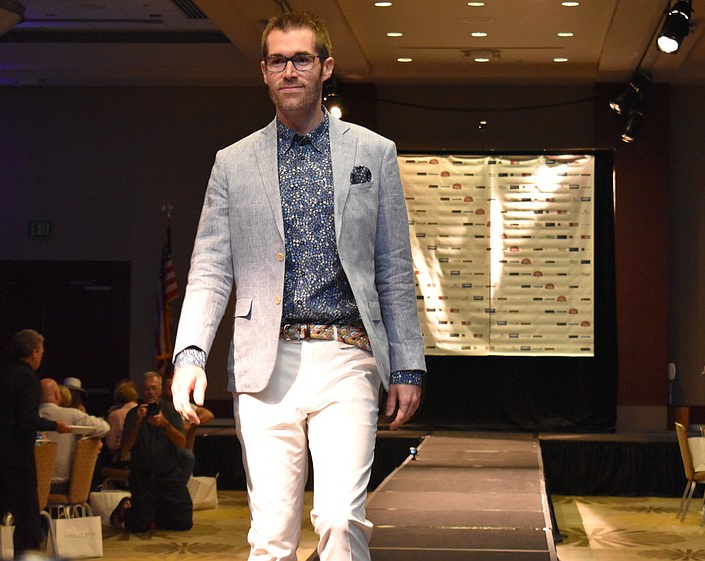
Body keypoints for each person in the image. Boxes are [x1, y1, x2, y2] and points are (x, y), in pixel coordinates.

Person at [170, 11, 426, 561]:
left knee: (339, 518)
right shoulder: (232, 163)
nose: (290, 70)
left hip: (348, 355)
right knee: (271, 536)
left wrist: (407, 365)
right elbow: (210, 268)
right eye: (278, 61)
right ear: (264, 71)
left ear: (325, 67)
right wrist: (190, 354)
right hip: (265, 361)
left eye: (302, 59)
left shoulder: (373, 153)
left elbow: (393, 267)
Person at [0, 329, 71, 556]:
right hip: (18, 457)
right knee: (27, 517)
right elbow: (27, 419)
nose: (41, 357)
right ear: (33, 352)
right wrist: (54, 426)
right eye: (41, 352)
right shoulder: (29, 379)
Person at [113, 371, 192, 532]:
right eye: (147, 388)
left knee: (182, 523)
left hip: (168, 475)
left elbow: (181, 443)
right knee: (138, 527)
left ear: (160, 390)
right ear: (142, 391)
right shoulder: (133, 414)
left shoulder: (170, 411)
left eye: (154, 388)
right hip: (142, 476)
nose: (150, 392)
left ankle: (157, 513)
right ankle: (124, 508)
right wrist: (138, 422)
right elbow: (125, 448)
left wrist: (165, 424)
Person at [39, 378, 110, 493]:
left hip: (30, 487)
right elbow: (104, 428)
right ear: (58, 394)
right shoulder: (73, 415)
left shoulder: (27, 417)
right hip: (64, 486)